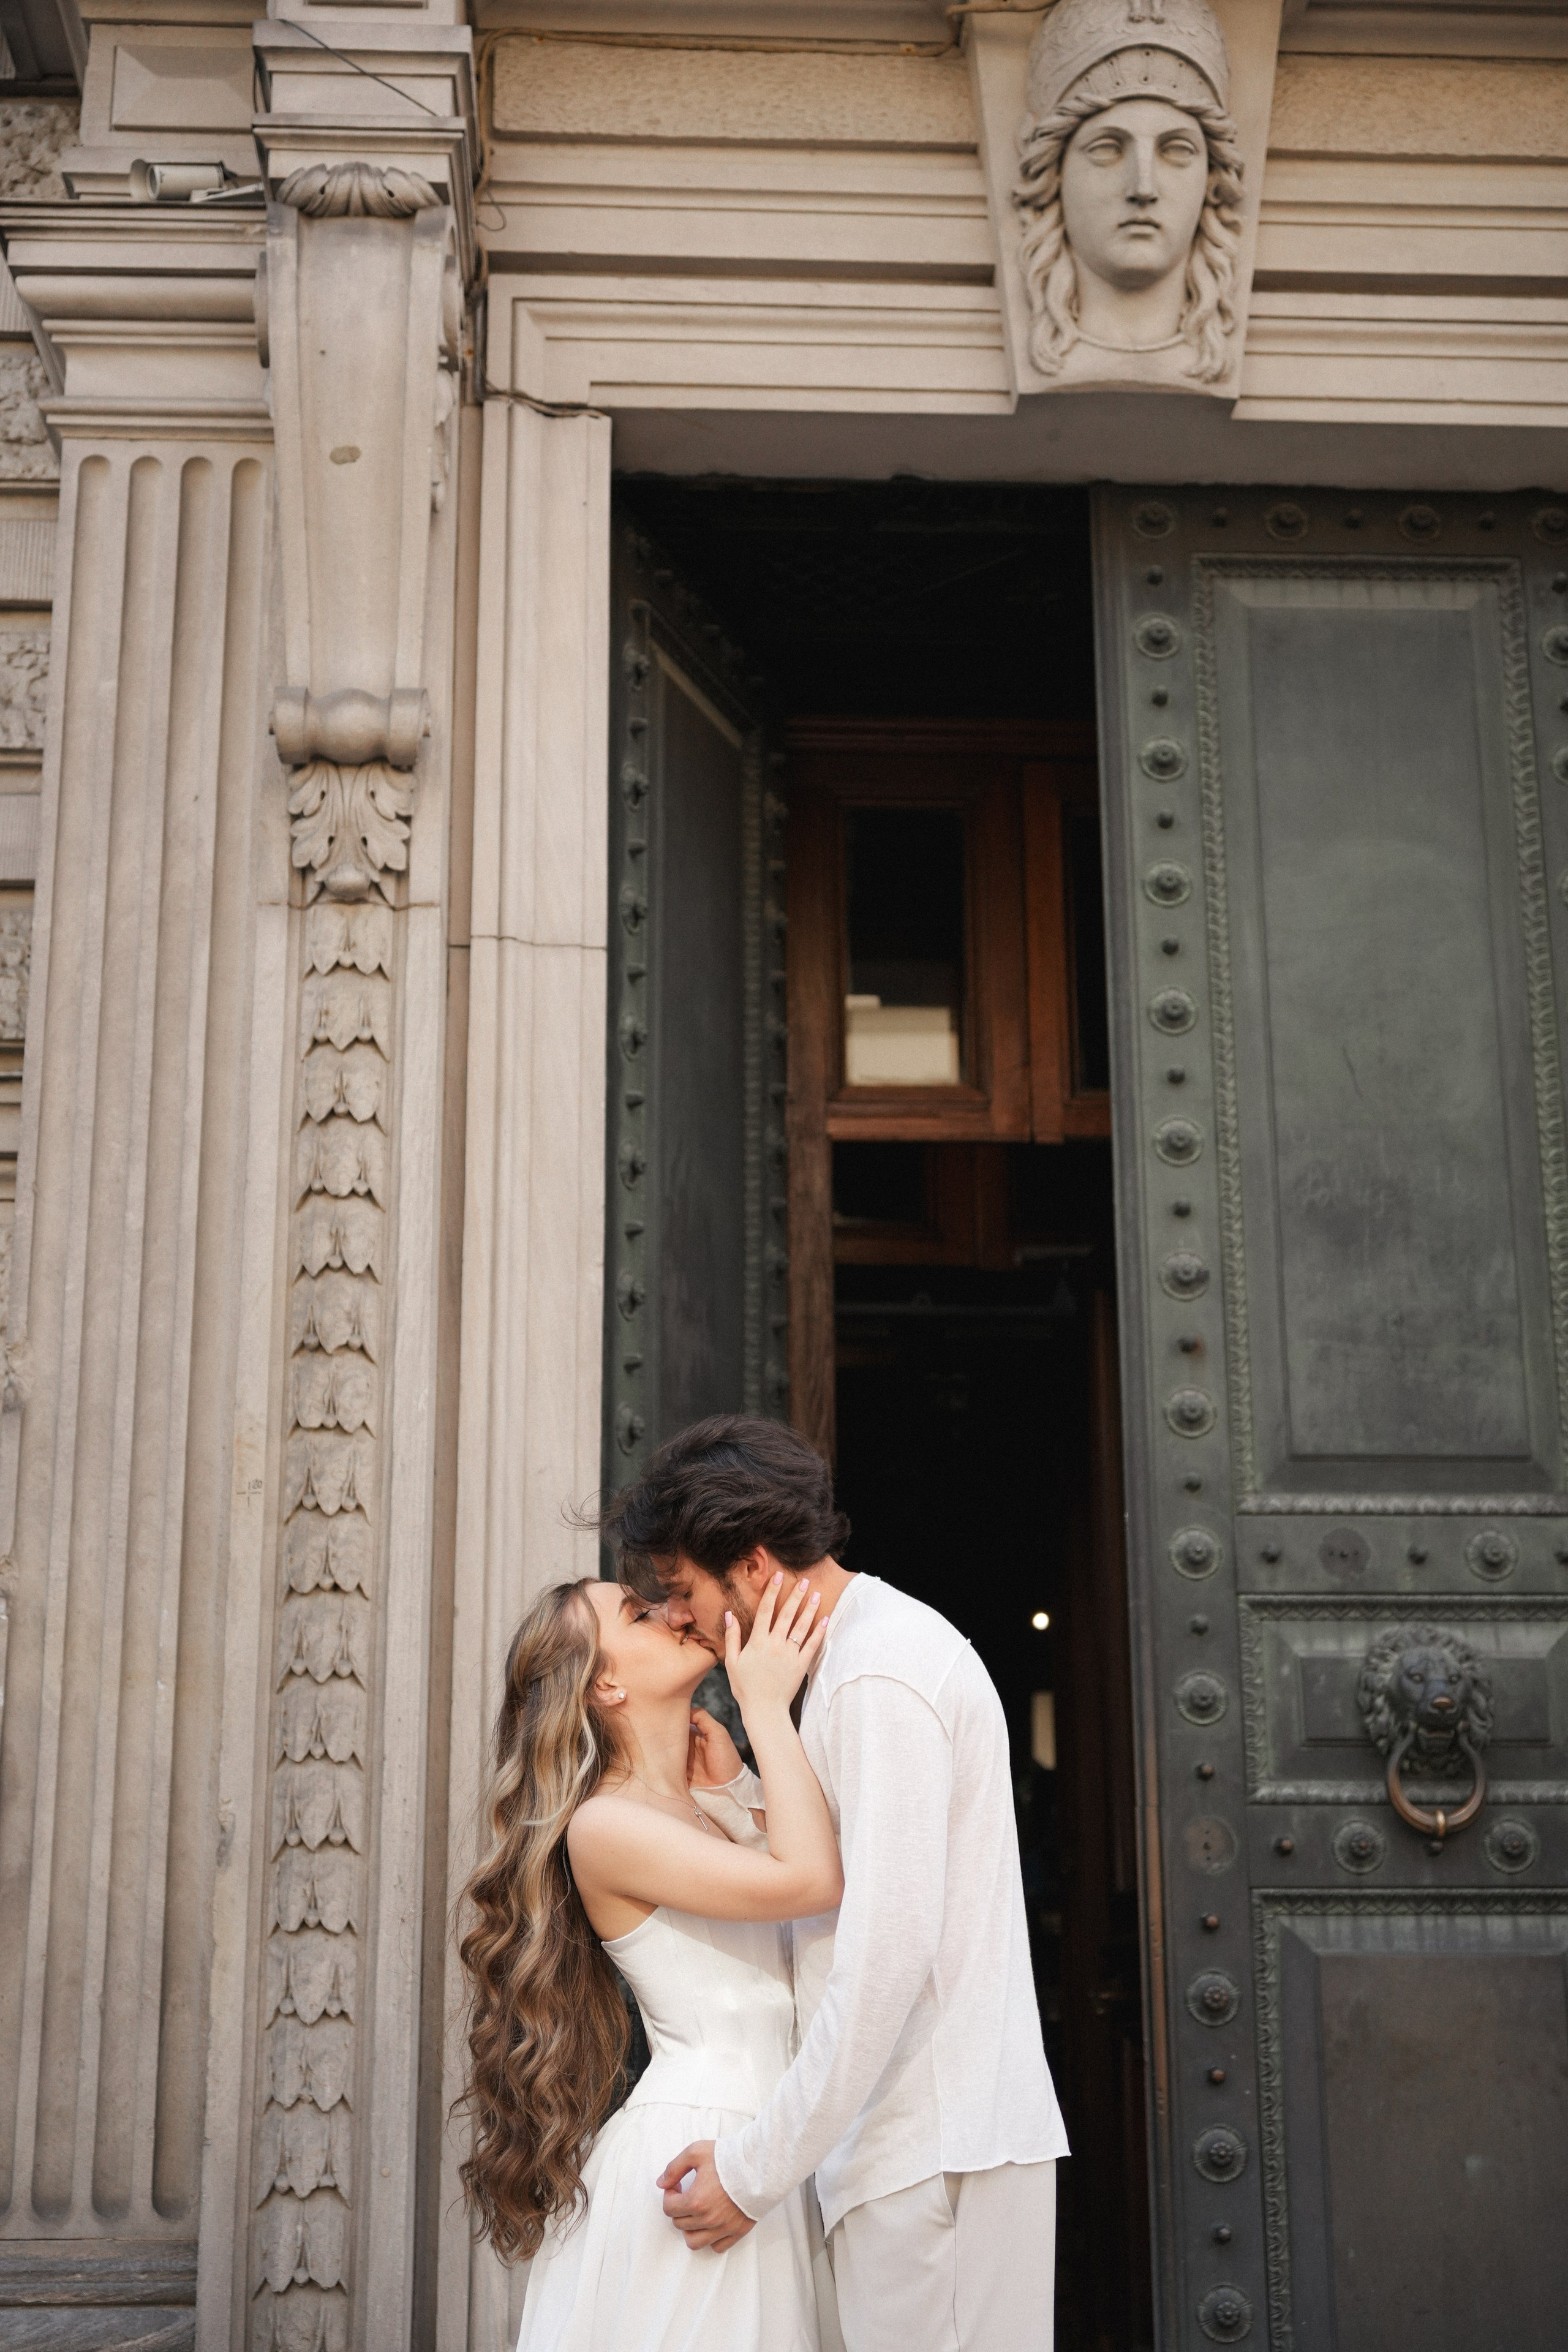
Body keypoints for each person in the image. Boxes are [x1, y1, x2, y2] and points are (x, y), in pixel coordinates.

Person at [605, 1415, 1069, 2352]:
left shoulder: (876, 1675)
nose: (678, 1616)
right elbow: (844, 1889)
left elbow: (885, 1952)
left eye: (684, 1590)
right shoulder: (858, 1664)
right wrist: (741, 1793)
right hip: (907, 2148)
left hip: (935, 2148)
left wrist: (753, 2173)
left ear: (754, 1565)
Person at [456, 1566, 843, 2351]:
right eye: (638, 1615)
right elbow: (811, 1880)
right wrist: (764, 1704)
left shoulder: (701, 1806)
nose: (672, 1613)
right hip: (699, 2145)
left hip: (776, 2142)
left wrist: (735, 1786)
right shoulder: (604, 1826)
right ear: (604, 1685)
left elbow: (824, 1917)